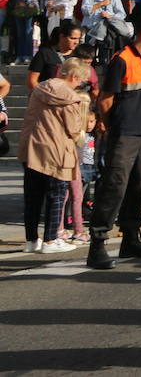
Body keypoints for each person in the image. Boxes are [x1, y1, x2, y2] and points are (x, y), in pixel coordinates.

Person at [86, 12, 141, 269]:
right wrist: (110, 128)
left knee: (137, 188)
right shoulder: (121, 59)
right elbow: (106, 100)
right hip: (124, 135)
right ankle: (97, 244)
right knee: (114, 188)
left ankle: (130, 238)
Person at [19, 57, 89, 253]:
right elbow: (74, 129)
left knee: (33, 197)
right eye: (81, 80)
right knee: (56, 196)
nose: (81, 84)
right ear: (74, 76)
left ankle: (31, 240)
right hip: (57, 151)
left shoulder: (40, 89)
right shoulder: (70, 97)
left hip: (32, 148)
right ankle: (51, 240)